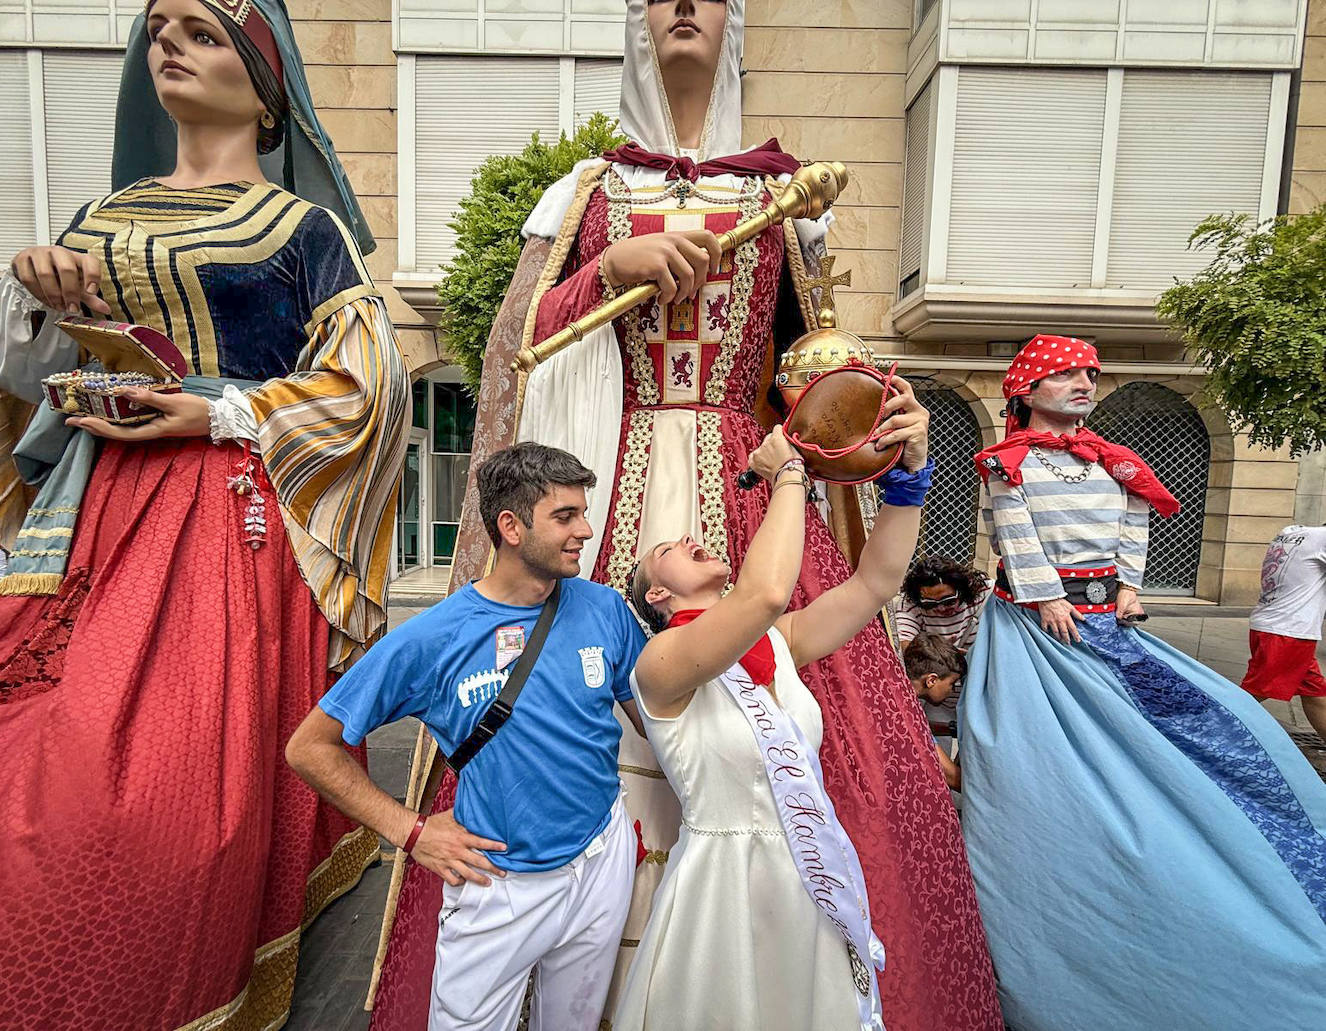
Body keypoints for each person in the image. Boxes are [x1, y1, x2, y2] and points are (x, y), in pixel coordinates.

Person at [370, 3, 1003, 1029]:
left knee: (796, 695)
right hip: (612, 475)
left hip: (741, 475)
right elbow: (513, 350)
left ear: (735, 24)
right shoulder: (586, 189)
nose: (681, 9)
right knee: (577, 702)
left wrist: (882, 443)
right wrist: (602, 273)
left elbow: (816, 360)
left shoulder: (782, 192)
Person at [0, 0, 411, 1025]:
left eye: (203, 32)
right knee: (20, 733)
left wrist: (220, 410)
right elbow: (17, 377)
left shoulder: (304, 230)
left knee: (150, 786)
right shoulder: (99, 220)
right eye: (159, 29)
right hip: (87, 513)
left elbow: (371, 386)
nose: (170, 44)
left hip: (227, 518)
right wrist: (31, 296)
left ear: (264, 87)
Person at [961, 334, 1326, 1030]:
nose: (1082, 383)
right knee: (1039, 766)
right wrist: (1044, 596)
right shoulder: (1007, 465)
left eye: (1088, 374)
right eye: (1064, 373)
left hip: (1112, 625)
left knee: (1224, 723)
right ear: (1026, 389)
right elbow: (1014, 533)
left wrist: (1129, 586)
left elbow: (1135, 524)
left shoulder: (1114, 462)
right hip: (1041, 635)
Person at [287, 442, 647, 1031]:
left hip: (601, 858)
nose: (586, 529)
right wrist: (410, 832)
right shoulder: (432, 637)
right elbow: (308, 748)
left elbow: (654, 720)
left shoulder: (605, 608)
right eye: (564, 516)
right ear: (510, 526)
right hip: (498, 883)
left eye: (584, 511)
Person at [616, 388, 930, 1031]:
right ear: (656, 591)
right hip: (722, 884)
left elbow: (877, 582)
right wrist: (789, 472)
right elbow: (763, 592)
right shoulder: (661, 667)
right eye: (666, 548)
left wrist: (908, 479)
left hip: (806, 877)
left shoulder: (779, 643)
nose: (688, 537)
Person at [1242, 523, 1326, 741]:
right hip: (1289, 631)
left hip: (1274, 625)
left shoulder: (1294, 532)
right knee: (1251, 695)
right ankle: (1200, 729)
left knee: (1316, 695)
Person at [902, 634, 966, 790]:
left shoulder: (902, 698)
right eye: (952, 683)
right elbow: (952, 777)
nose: (953, 690)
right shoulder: (908, 714)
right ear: (931, 680)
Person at [895, 556, 990, 650]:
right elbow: (903, 644)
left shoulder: (983, 591)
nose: (941, 608)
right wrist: (935, 652)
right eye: (930, 604)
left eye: (949, 601)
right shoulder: (910, 602)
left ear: (961, 590)